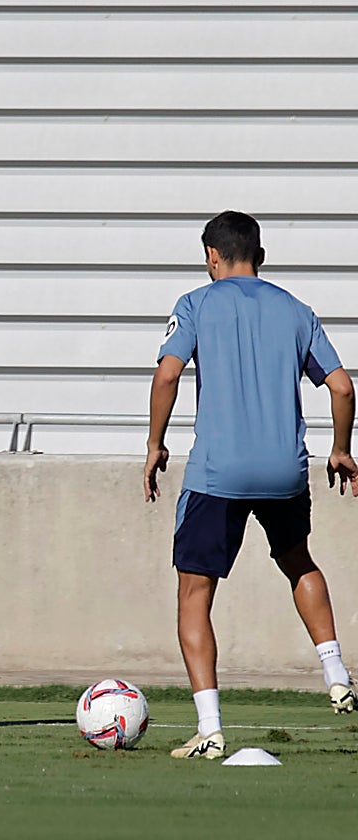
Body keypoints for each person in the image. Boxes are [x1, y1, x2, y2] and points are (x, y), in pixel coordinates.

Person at [145, 210, 357, 761]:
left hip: (219, 473)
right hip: (284, 470)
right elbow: (341, 387)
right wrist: (340, 449)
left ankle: (210, 726)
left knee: (195, 594)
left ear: (212, 257)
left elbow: (167, 374)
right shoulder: (296, 310)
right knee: (298, 561)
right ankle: (336, 673)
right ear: (258, 255)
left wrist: (154, 445)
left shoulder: (195, 303)